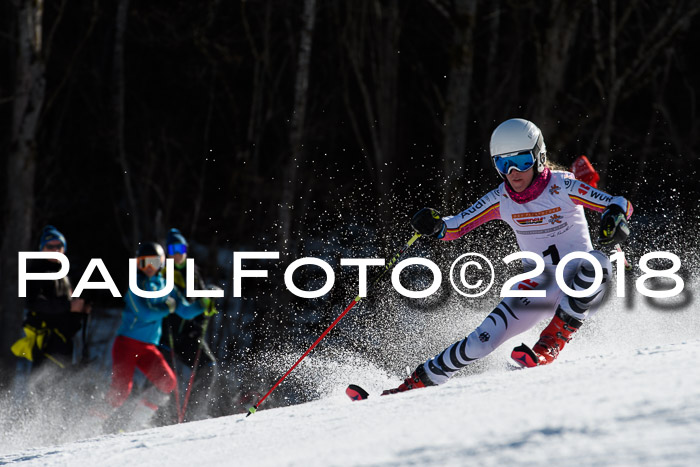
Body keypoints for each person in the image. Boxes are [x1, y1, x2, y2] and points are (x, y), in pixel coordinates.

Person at [383, 118, 632, 394]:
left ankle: (551, 343)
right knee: (481, 341)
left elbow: (618, 202)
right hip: (540, 286)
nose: (513, 172)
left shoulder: (563, 186)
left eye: (523, 161)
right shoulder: (501, 198)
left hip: (582, 283)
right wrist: (436, 225)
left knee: (599, 260)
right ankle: (409, 387)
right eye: (503, 164)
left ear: (539, 157)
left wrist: (615, 216)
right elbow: (455, 227)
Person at [104, 241, 207, 430]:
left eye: (154, 262)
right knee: (121, 391)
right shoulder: (135, 285)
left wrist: (204, 303)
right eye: (144, 263)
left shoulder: (165, 285)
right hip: (127, 344)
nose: (149, 267)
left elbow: (184, 310)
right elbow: (145, 313)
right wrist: (167, 307)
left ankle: (135, 424)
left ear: (161, 263)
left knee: (167, 381)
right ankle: (91, 423)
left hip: (148, 347)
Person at [11, 225, 91, 374]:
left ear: (64, 248)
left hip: (64, 340)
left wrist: (81, 309)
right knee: (44, 387)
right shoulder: (36, 270)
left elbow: (66, 304)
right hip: (46, 341)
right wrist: (69, 306)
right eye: (50, 246)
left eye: (58, 245)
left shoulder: (64, 273)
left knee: (60, 387)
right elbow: (34, 303)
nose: (55, 249)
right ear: (42, 249)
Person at [159, 228, 218, 422]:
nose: (177, 253)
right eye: (172, 248)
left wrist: (207, 305)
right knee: (164, 378)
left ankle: (194, 414)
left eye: (181, 248)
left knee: (208, 366)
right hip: (164, 334)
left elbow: (201, 299)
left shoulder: (192, 271)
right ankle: (158, 418)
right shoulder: (161, 270)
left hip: (188, 334)